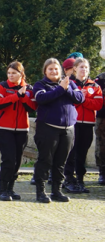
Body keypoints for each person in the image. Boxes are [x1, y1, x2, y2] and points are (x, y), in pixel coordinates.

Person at [32, 58, 84, 203]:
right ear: (45, 71)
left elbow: (80, 98)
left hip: (68, 129)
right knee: (45, 161)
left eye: (56, 69)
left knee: (61, 162)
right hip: (48, 128)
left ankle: (56, 191)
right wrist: (61, 89)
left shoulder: (70, 83)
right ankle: (40, 192)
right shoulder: (40, 85)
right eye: (50, 69)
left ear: (60, 70)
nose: (54, 72)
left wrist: (66, 88)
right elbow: (42, 99)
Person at [0, 61, 35, 201]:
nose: (10, 75)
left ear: (21, 74)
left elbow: (33, 107)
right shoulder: (2, 86)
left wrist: (23, 97)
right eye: (9, 73)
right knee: (8, 159)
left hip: (22, 129)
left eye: (14, 73)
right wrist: (17, 95)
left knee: (17, 161)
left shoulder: (29, 88)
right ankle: (2, 190)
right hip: (4, 129)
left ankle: (10, 189)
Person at [63, 58, 102, 193]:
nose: (84, 69)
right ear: (75, 69)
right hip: (73, 123)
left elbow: (98, 104)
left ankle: (80, 179)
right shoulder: (70, 83)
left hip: (88, 124)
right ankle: (68, 179)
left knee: (82, 153)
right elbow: (69, 102)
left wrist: (82, 98)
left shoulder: (95, 86)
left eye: (86, 67)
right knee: (71, 152)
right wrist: (80, 98)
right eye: (81, 67)